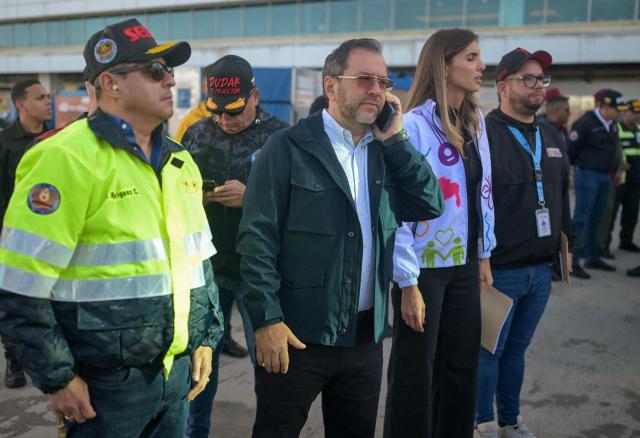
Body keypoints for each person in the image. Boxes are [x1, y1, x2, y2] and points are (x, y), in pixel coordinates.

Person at [0, 18, 223, 437]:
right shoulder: (65, 157)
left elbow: (199, 261)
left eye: (170, 71)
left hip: (175, 378)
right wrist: (58, 377)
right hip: (103, 389)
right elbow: (19, 285)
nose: (170, 81)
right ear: (111, 83)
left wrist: (206, 337)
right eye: (156, 71)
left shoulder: (179, 161)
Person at [237, 38, 444, 437]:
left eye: (382, 81)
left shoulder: (385, 151)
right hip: (295, 337)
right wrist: (266, 320)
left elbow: (429, 204)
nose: (377, 90)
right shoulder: (287, 148)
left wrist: (397, 140)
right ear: (330, 86)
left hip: (364, 339)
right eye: (364, 79)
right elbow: (256, 241)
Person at [385, 28, 495, 438]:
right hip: (423, 270)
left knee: (461, 367)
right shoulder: (412, 125)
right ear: (443, 66)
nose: (480, 65)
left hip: (465, 265)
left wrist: (484, 253)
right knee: (415, 372)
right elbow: (395, 210)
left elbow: (483, 193)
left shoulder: (476, 122)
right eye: (470, 57)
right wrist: (408, 282)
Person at [181, 54, 288, 438]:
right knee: (199, 361)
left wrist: (253, 197)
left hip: (259, 272)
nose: (225, 120)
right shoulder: (195, 134)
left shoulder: (280, 138)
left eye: (235, 111)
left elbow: (302, 204)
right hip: (205, 268)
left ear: (255, 96)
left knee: (270, 363)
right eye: (218, 112)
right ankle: (196, 432)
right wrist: (199, 195)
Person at [474, 48, 574, 438]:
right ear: (502, 86)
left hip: (541, 269)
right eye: (528, 79)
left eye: (541, 80)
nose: (538, 87)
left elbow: (561, 193)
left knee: (516, 351)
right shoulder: (483, 134)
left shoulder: (550, 133)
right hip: (500, 270)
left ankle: (509, 421)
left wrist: (568, 244)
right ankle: (481, 421)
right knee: (488, 353)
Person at [0, 78, 51, 389]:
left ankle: (45, 357)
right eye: (40, 97)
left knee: (46, 300)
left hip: (50, 236)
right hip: (12, 237)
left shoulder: (55, 139)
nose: (48, 102)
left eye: (48, 96)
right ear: (21, 104)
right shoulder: (4, 142)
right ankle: (14, 360)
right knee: (12, 300)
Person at [568, 88, 626, 277]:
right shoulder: (585, 123)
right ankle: (574, 262)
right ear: (603, 106)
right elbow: (571, 150)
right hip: (587, 176)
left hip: (604, 177)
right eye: (616, 109)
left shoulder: (612, 125)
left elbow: (614, 149)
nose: (619, 112)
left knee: (596, 219)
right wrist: (577, 169)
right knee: (581, 219)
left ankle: (592, 258)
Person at [609, 99, 640, 253]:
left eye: (639, 113)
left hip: (636, 179)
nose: (637, 116)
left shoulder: (639, 130)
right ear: (625, 112)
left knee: (632, 212)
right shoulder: (617, 129)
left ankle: (626, 241)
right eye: (634, 113)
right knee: (611, 213)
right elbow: (612, 152)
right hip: (620, 178)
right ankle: (605, 244)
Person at [538, 89, 570, 153]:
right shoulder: (540, 129)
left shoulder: (561, 128)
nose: (569, 113)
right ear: (557, 111)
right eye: (567, 110)